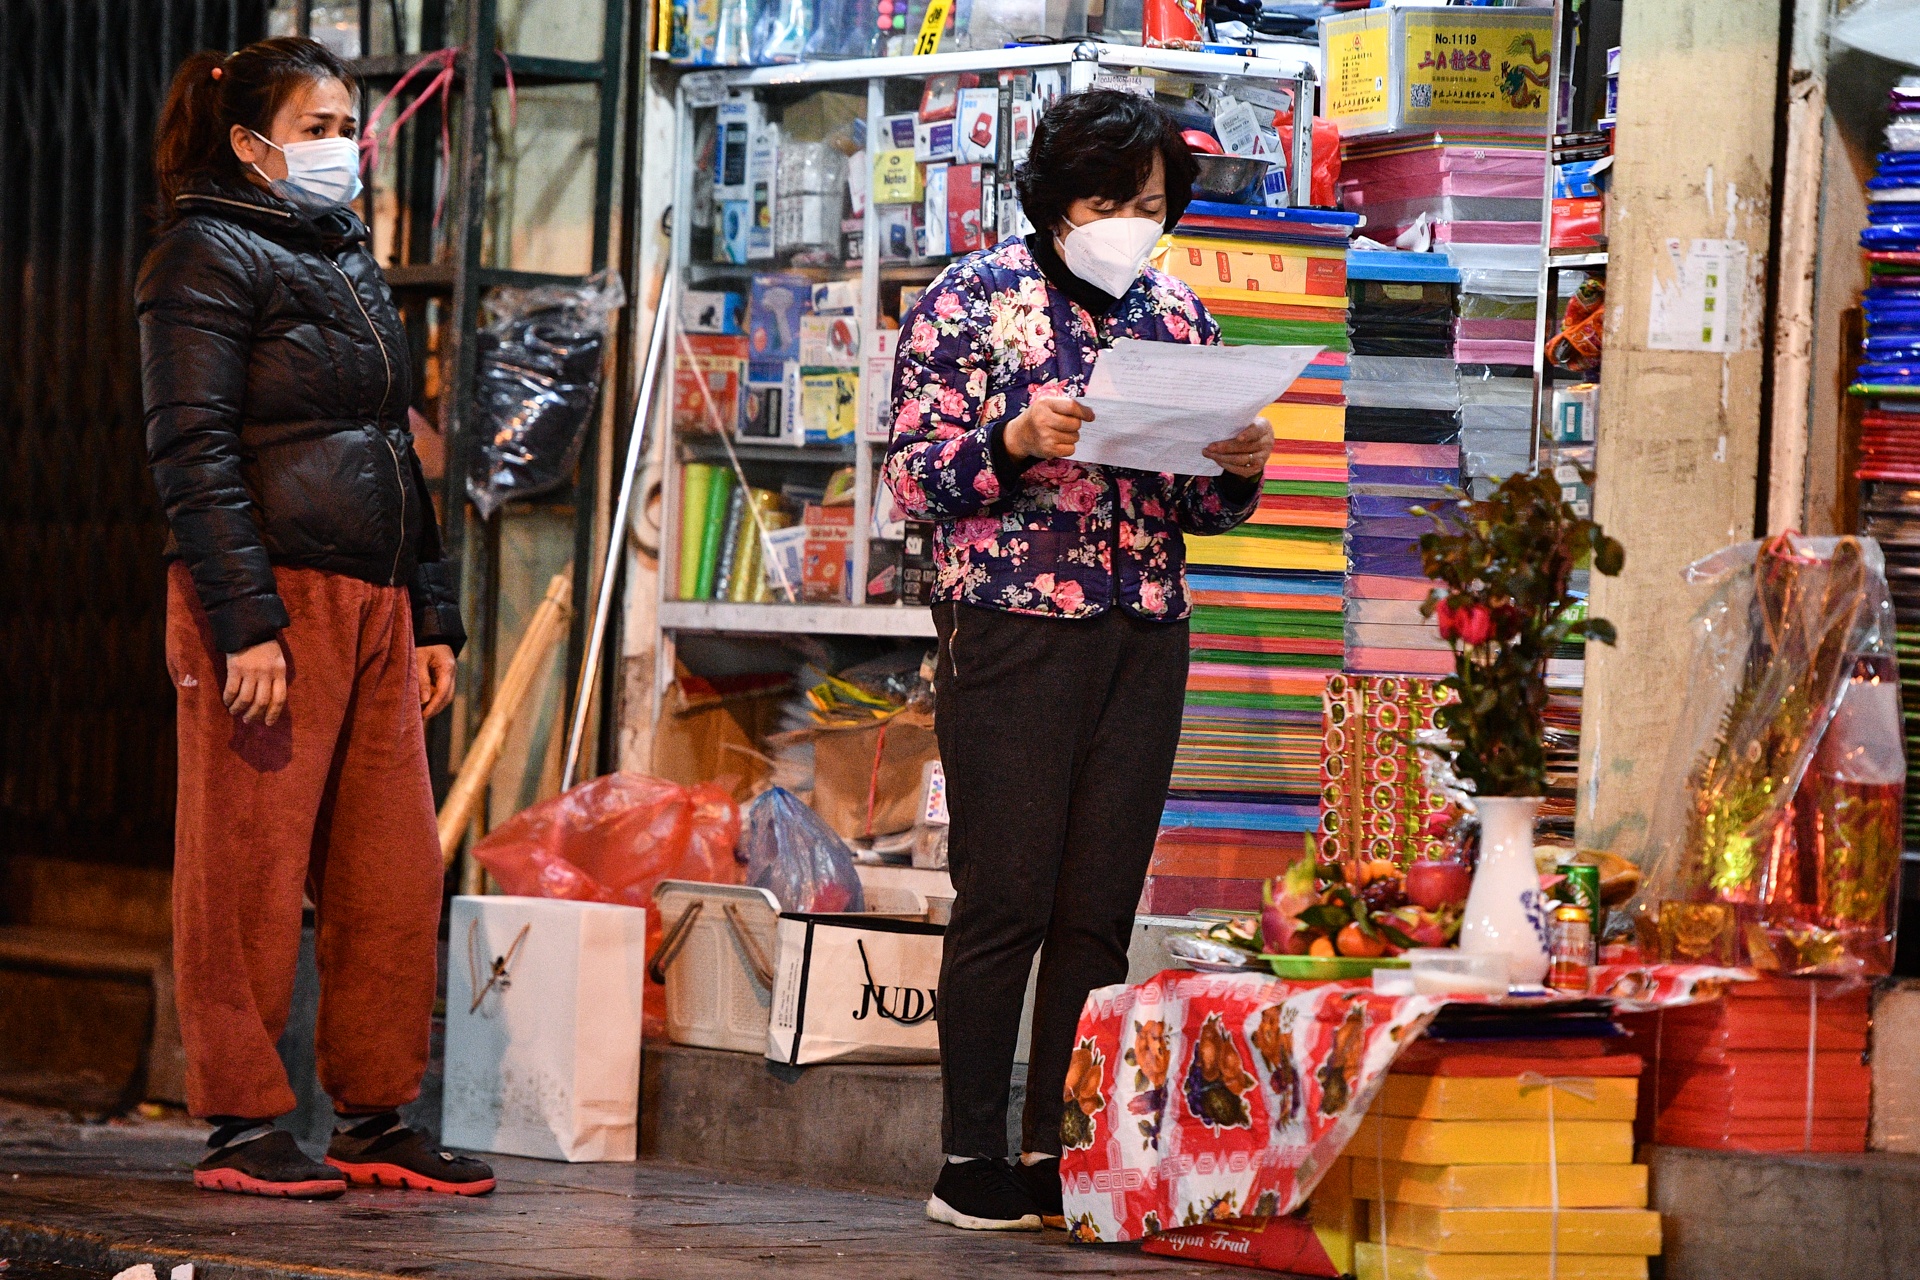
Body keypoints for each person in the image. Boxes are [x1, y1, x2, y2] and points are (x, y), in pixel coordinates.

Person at [881, 88, 1273, 1231]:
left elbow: (1202, 503)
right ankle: (968, 1157)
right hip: (1009, 624)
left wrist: (1238, 461)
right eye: (1109, 200)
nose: (1130, 222)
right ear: (1056, 199)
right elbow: (912, 475)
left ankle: (1062, 1149)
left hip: (1144, 623)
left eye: (1150, 203)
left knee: (1098, 906)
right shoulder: (972, 299)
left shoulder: (1175, 309)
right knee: (1006, 895)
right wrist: (1010, 439)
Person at [139, 36, 492, 1200]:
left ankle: (377, 1111)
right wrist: (244, 621)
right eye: (318, 128)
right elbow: (191, 447)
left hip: (377, 597)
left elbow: (395, 439)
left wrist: (429, 609)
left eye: (350, 125)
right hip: (270, 597)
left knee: (391, 868)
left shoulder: (342, 253)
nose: (345, 148)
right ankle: (241, 1117)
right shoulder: (203, 252)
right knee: (246, 862)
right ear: (250, 145)